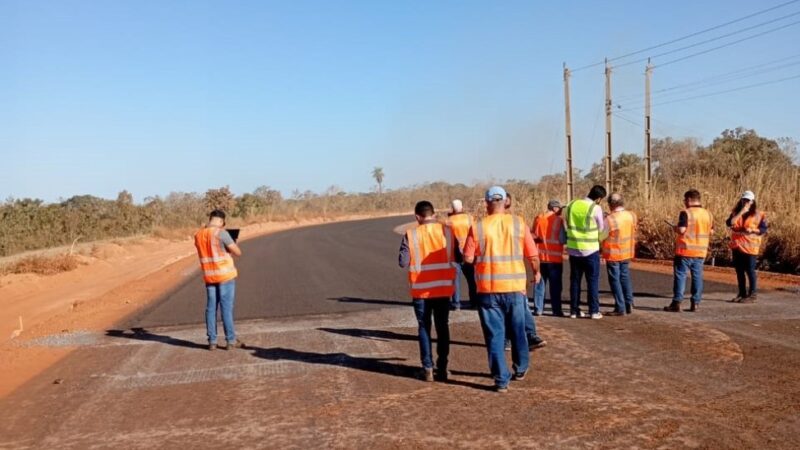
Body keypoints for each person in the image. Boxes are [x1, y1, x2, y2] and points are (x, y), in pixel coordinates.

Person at [463, 186, 541, 393]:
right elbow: (533, 256)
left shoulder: (478, 227)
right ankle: (521, 367)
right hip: (514, 288)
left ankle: (500, 379)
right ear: (506, 202)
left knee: (494, 336)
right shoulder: (518, 223)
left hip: (488, 290)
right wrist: (537, 273)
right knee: (518, 331)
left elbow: (468, 258)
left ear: (487, 203)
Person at [398, 201, 456, 382]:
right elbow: (460, 256)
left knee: (424, 328)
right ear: (433, 214)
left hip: (421, 291)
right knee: (442, 327)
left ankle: (427, 368)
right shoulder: (448, 232)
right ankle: (443, 368)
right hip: (443, 288)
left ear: (417, 217)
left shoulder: (411, 235)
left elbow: (403, 262)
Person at [194, 209, 244, 350]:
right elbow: (238, 252)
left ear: (210, 219)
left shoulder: (198, 235)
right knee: (226, 309)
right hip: (225, 275)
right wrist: (231, 243)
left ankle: (212, 341)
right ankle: (231, 340)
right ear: (222, 222)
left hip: (209, 276)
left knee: (211, 309)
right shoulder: (222, 233)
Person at [664, 189, 714, 313]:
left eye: (685, 200)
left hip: (685, 250)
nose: (684, 202)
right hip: (701, 251)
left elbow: (681, 230)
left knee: (680, 276)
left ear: (689, 199)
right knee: (697, 276)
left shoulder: (686, 213)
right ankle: (695, 302)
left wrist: (675, 228)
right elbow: (711, 231)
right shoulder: (708, 214)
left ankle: (677, 302)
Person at [564, 185, 607, 319]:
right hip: (590, 250)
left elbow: (566, 222)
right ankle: (594, 311)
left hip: (574, 249)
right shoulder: (596, 208)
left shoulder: (571, 205)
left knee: (575, 281)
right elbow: (601, 228)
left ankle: (574, 310)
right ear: (599, 198)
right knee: (592, 281)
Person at [726, 190, 768, 303]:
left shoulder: (759, 214)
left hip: (750, 247)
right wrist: (742, 211)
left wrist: (753, 230)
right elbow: (730, 223)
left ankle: (752, 294)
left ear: (753, 201)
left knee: (750, 270)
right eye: (744, 200)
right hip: (737, 246)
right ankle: (742, 293)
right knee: (739, 271)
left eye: (748, 200)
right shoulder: (735, 212)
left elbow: (763, 229)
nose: (746, 202)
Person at [601, 193, 637, 316]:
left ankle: (620, 306)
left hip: (613, 253)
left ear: (611, 204)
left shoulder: (610, 219)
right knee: (625, 277)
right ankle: (629, 302)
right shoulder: (631, 215)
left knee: (615, 280)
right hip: (627, 252)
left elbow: (602, 236)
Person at [532, 199, 565, 317]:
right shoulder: (559, 220)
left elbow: (533, 235)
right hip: (554, 259)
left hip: (539, 257)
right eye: (560, 208)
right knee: (555, 287)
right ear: (555, 208)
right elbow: (562, 239)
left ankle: (538, 309)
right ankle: (556, 310)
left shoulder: (538, 218)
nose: (561, 210)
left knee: (539, 284)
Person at [446, 199, 477, 310]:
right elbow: (475, 235)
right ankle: (474, 302)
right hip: (468, 252)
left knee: (455, 280)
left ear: (452, 208)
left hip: (455, 254)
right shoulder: (470, 218)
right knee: (471, 279)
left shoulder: (449, 221)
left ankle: (456, 304)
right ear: (462, 207)